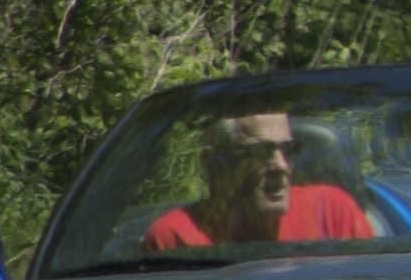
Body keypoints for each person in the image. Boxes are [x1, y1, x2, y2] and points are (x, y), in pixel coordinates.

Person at [146, 106, 377, 250]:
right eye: (260, 152)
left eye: (288, 151)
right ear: (216, 165)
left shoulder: (332, 212)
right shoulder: (174, 237)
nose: (281, 166)